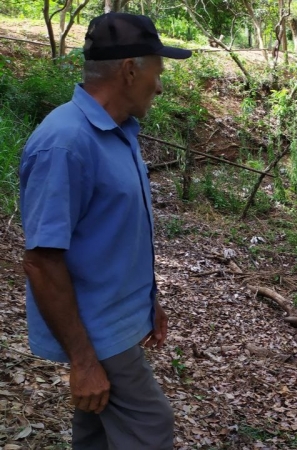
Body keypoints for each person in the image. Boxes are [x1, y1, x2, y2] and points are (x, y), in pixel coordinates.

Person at [19, 12, 191, 449]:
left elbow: (111, 237)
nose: (160, 84)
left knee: (96, 434)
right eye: (158, 70)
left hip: (117, 318)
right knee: (151, 429)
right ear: (130, 70)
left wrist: (147, 301)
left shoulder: (117, 131)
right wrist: (83, 361)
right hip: (97, 329)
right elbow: (42, 261)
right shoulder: (65, 143)